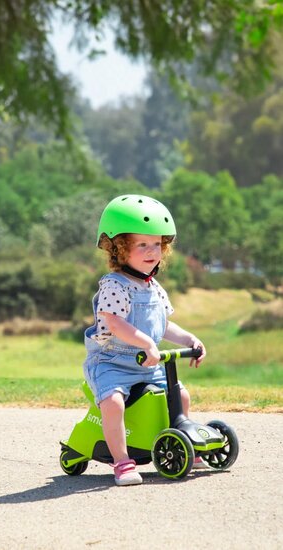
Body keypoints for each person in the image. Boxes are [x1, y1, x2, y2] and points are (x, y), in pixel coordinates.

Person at [83, 194, 206, 486]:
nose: (152, 251)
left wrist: (190, 339)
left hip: (147, 364)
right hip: (112, 363)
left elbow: (162, 325)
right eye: (142, 245)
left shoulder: (153, 287)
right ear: (120, 249)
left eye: (157, 244)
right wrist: (146, 343)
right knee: (113, 402)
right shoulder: (114, 284)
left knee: (181, 395)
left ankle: (181, 441)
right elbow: (114, 323)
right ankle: (122, 462)